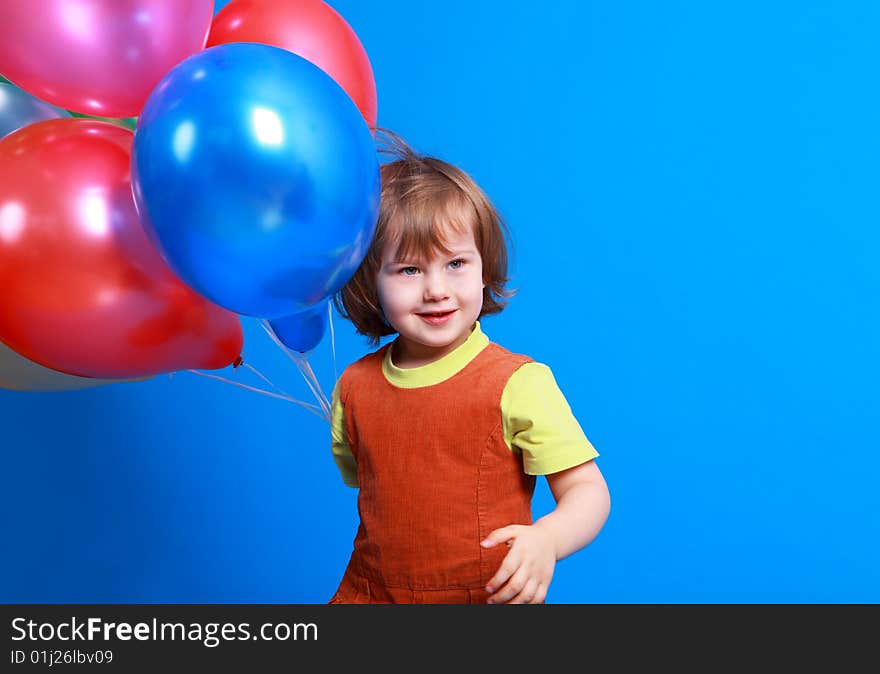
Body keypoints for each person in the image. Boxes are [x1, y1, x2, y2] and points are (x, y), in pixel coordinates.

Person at [328, 131, 610, 604]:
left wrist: (547, 539)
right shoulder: (354, 387)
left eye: (456, 263)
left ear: (484, 268)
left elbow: (588, 490)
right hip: (370, 595)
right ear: (368, 279)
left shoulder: (518, 384)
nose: (436, 289)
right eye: (409, 270)